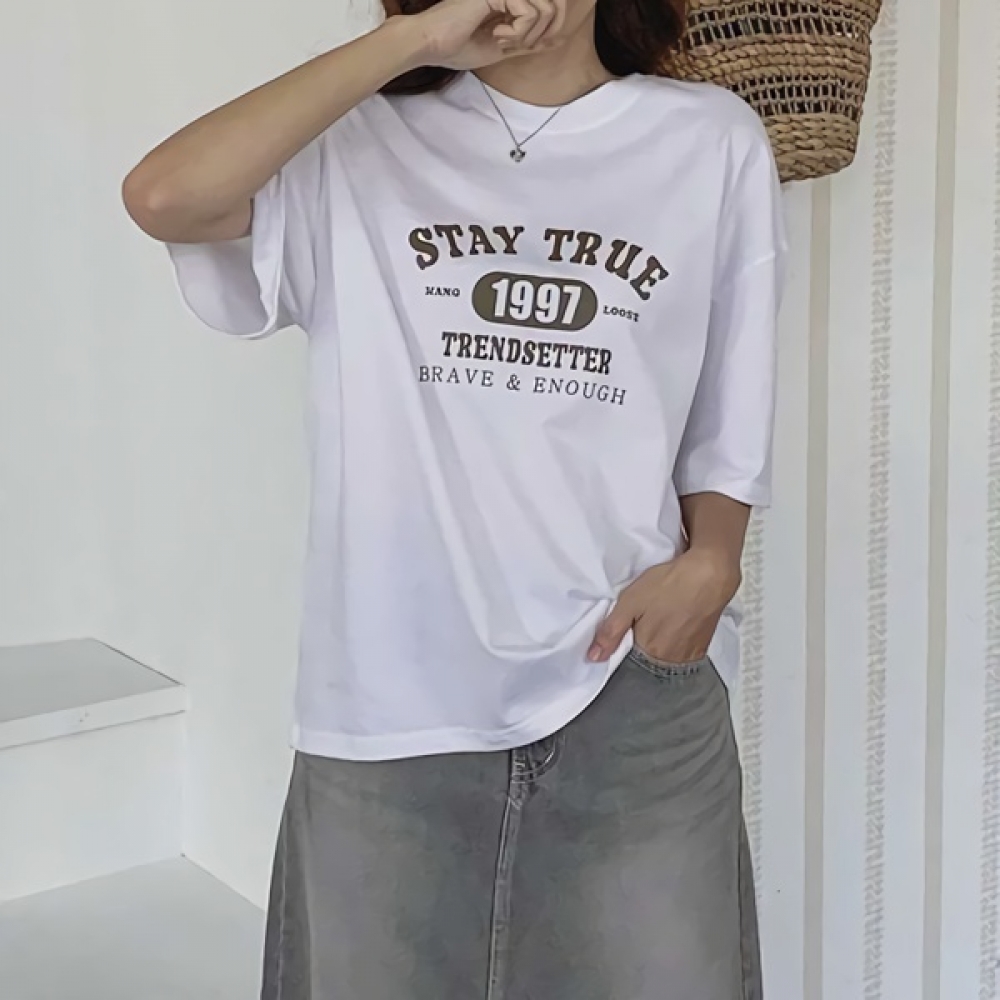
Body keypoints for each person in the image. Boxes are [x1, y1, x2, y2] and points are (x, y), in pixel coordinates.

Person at [122, 0, 786, 993]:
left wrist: (713, 564)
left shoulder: (707, 139)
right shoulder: (356, 143)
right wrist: (414, 44)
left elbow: (733, 389)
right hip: (390, 702)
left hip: (628, 690)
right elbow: (165, 195)